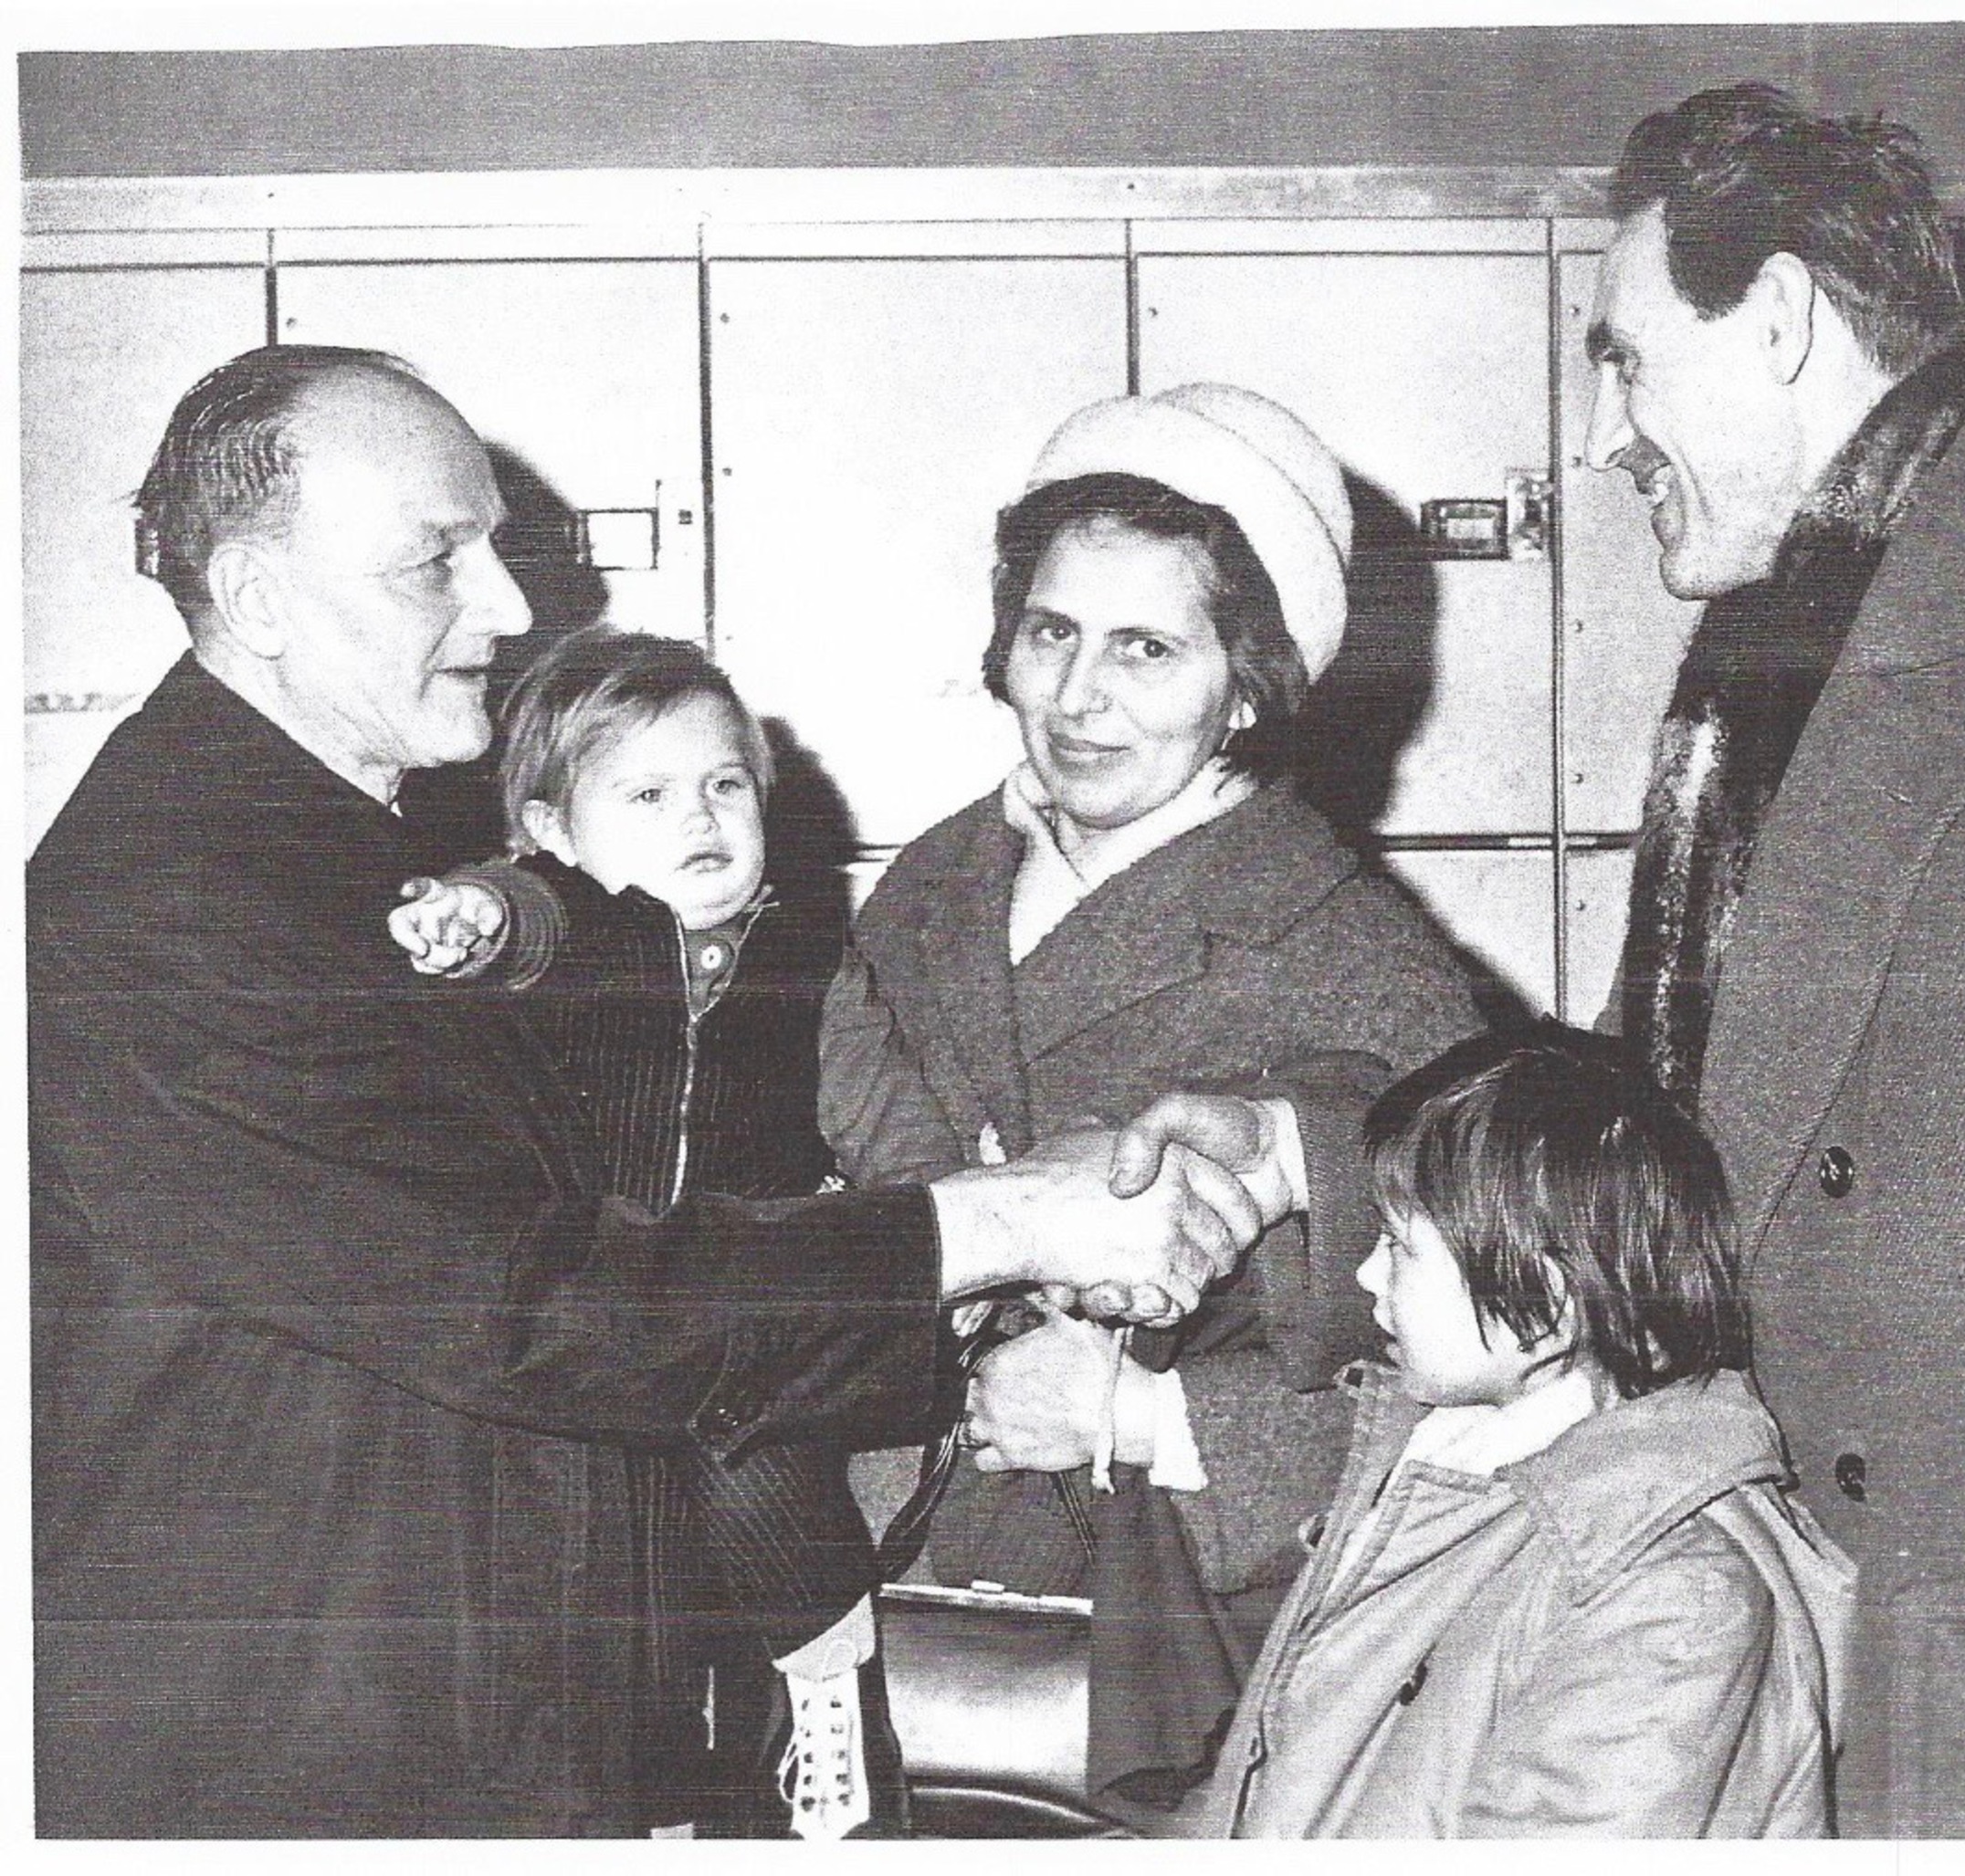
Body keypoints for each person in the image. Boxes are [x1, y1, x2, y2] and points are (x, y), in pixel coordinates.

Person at [26, 344, 1279, 1838]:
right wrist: (1000, 1222)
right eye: (438, 559)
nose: (508, 604)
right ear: (259, 597)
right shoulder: (181, 899)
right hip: (295, 1760)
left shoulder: (341, 851)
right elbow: (537, 1300)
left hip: (418, 1717)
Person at [1578, 85, 1965, 1833]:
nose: (1601, 437)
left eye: (1623, 361)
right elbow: (1634, 1129)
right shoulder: (1793, 656)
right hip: (1825, 1667)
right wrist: (1292, 1164)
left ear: (1775, 321)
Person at [819, 383, 1484, 1818]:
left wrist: (1146, 1414)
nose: (1078, 695)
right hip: (880, 1587)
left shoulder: (1354, 952)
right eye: (1051, 631)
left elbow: (1495, 1366)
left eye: (1145, 648)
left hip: (1180, 1645)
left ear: (1245, 686)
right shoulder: (927, 887)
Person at [388, 624, 897, 1838]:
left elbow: (887, 1114)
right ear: (554, 829)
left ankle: (829, 1691)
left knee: (756, 1470)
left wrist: (939, 1209)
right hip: (593, 1319)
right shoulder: (570, 927)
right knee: (614, 1573)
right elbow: (521, 916)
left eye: (727, 784)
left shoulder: (810, 963)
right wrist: (471, 911)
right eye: (649, 794)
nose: (701, 816)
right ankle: (653, 1801)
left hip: (743, 1317)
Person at [1199, 1023, 1854, 1838]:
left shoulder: (1673, 1599)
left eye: (1398, 1246)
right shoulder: (1443, 1458)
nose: (1365, 1274)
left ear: (1546, 1304)